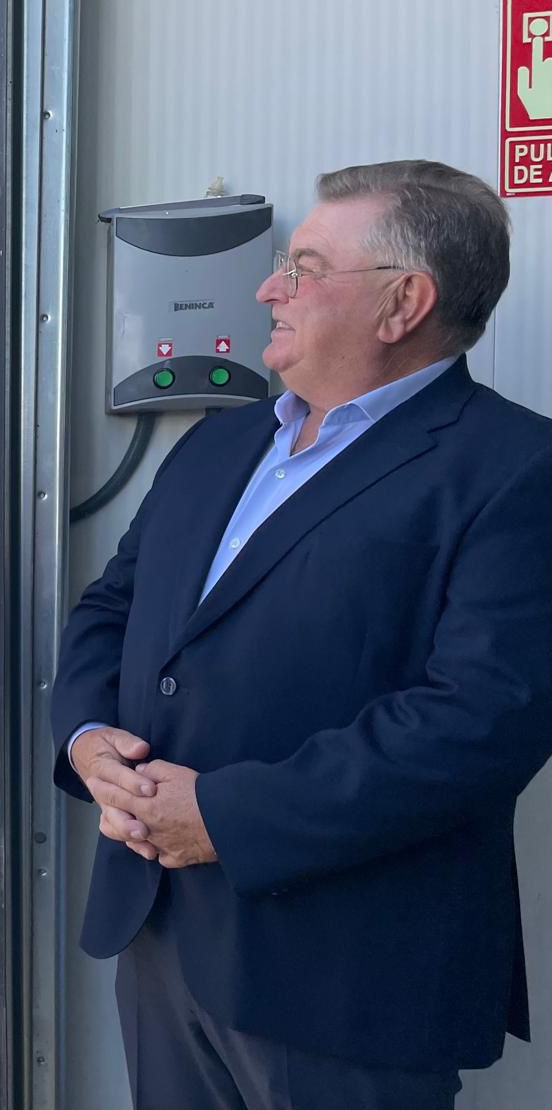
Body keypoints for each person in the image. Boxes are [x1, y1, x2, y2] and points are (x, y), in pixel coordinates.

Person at [52, 159, 552, 1110]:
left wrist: (227, 819)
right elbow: (112, 609)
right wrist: (87, 744)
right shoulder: (223, 441)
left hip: (349, 976)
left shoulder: (517, 469)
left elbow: (484, 721)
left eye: (304, 266)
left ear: (403, 301)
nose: (266, 286)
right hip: (163, 938)